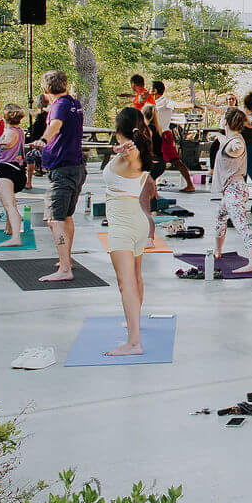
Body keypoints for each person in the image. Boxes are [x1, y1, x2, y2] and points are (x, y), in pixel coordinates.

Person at [100, 107, 156, 357]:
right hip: (137, 221)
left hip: (123, 226)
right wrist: (121, 149)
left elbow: (130, 155)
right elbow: (127, 153)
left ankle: (134, 343)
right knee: (135, 277)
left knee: (126, 284)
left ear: (118, 127)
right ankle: (134, 324)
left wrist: (125, 149)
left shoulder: (133, 153)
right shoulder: (138, 150)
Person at [31, 71, 85, 282]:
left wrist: (43, 141)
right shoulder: (73, 103)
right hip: (74, 167)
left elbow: (55, 125)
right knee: (66, 216)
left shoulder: (60, 105)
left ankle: (64, 269)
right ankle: (66, 260)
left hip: (63, 169)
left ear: (45, 90)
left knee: (55, 219)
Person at [209, 107, 252, 275]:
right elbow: (227, 140)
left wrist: (232, 145)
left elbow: (235, 146)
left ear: (225, 122)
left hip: (235, 190)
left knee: (241, 225)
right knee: (220, 216)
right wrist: (218, 136)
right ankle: (218, 251)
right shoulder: (231, 138)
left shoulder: (235, 142)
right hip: (231, 190)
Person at [0, 105, 29, 247]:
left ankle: (16, 238)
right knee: (10, 202)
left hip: (6, 170)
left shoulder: (10, 132)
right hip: (17, 170)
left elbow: (9, 142)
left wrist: (1, 143)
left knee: (9, 205)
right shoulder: (20, 131)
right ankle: (10, 228)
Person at [150, 79, 196, 192]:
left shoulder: (165, 101)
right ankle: (152, 185)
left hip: (164, 136)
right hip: (154, 136)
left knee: (176, 161)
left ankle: (190, 185)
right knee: (151, 160)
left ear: (154, 90)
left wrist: (193, 105)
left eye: (150, 89)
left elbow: (178, 105)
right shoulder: (151, 103)